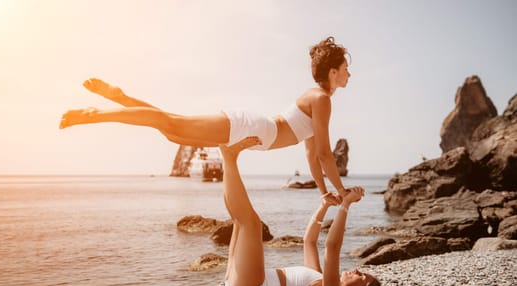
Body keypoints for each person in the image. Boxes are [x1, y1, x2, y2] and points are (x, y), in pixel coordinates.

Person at [60, 37, 352, 199]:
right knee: (171, 125)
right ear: (332, 73)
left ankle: (121, 97)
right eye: (345, 68)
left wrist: (325, 192)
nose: (349, 74)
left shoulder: (316, 99)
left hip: (254, 131)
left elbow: (313, 154)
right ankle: (94, 115)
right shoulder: (322, 99)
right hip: (251, 128)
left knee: (171, 130)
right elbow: (325, 154)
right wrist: (342, 190)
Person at [219, 136, 384, 286]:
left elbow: (332, 248)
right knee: (239, 220)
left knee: (251, 224)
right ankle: (227, 156)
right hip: (242, 284)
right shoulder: (318, 278)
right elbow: (309, 242)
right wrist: (324, 206)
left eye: (361, 276)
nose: (357, 270)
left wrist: (346, 205)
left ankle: (228, 156)